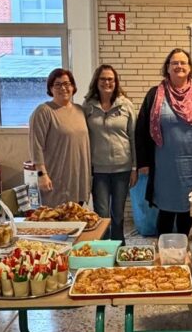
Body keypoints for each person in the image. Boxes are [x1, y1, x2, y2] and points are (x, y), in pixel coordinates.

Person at [136, 48, 192, 236]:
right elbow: (141, 129)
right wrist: (143, 162)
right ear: (167, 67)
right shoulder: (155, 94)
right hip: (165, 165)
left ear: (190, 68)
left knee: (188, 208)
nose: (179, 66)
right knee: (165, 209)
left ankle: (182, 245)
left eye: (183, 62)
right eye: (174, 63)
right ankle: (164, 247)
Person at [83, 64, 136, 241]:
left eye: (110, 79)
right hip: (99, 170)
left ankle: (119, 248)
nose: (107, 82)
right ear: (96, 81)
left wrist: (134, 167)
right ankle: (104, 249)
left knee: (118, 214)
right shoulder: (88, 107)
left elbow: (133, 136)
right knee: (102, 214)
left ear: (116, 82)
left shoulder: (126, 105)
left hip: (123, 169)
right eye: (103, 79)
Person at [28, 68, 90, 207]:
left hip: (77, 180)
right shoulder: (44, 111)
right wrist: (41, 174)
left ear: (73, 87)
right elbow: (35, 145)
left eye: (67, 84)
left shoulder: (80, 111)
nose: (63, 88)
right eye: (57, 84)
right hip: (55, 180)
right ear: (51, 88)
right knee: (56, 218)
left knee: (75, 216)